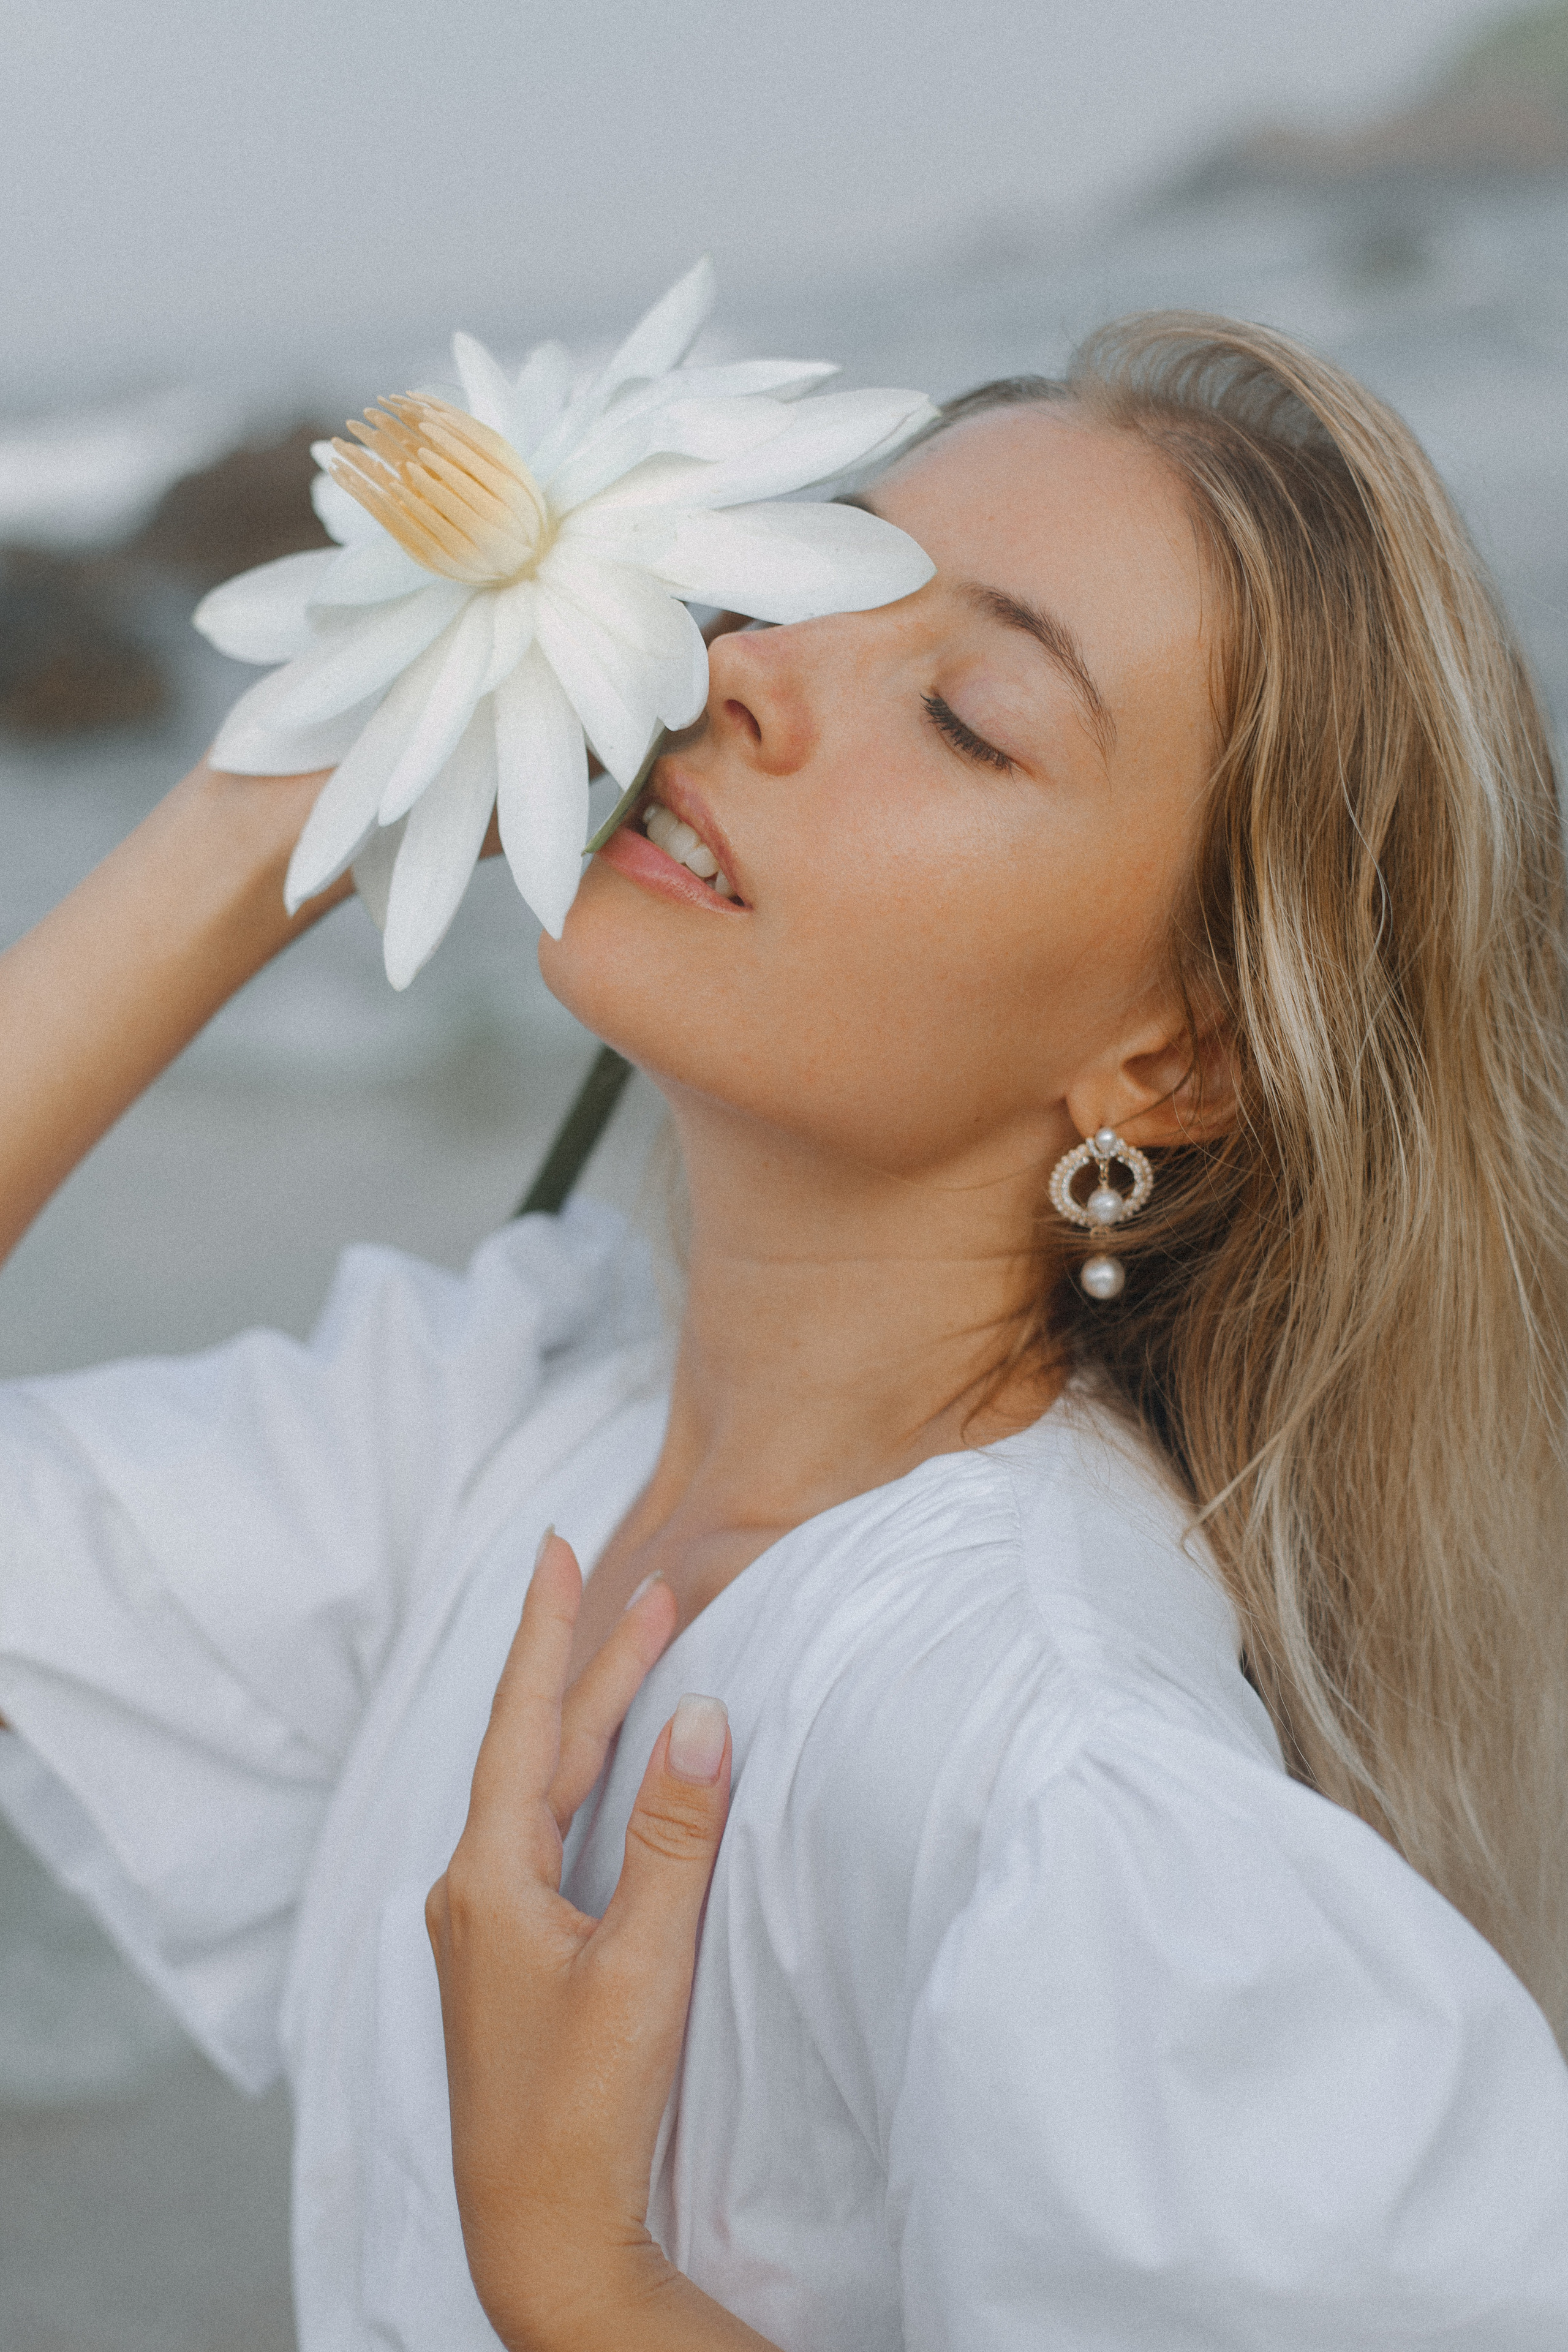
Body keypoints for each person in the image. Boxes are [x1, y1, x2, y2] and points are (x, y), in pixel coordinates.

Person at [1, 314, 1566, 2351]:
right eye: (794, 585)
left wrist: (581, 2274)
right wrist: (265, 809)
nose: (732, 675)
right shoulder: (513, 1428)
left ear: (1173, 1060)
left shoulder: (1063, 1796)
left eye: (971, 717)